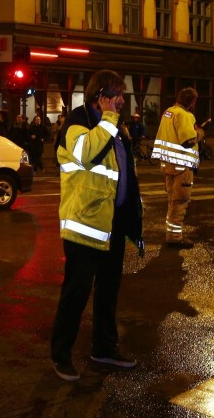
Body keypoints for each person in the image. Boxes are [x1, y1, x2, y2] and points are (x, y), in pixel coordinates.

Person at [50, 69, 143, 382]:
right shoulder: (79, 124)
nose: (121, 101)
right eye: (116, 94)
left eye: (122, 95)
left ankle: (104, 348)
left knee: (108, 292)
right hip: (84, 226)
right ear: (99, 96)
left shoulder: (113, 126)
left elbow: (122, 173)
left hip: (111, 225)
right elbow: (88, 155)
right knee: (76, 292)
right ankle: (60, 355)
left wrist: (132, 217)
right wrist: (108, 120)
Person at [153, 88, 201, 248]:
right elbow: (188, 140)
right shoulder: (185, 115)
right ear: (192, 102)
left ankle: (171, 234)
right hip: (182, 167)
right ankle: (174, 237)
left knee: (172, 201)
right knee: (180, 202)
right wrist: (201, 132)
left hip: (169, 165)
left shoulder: (169, 112)